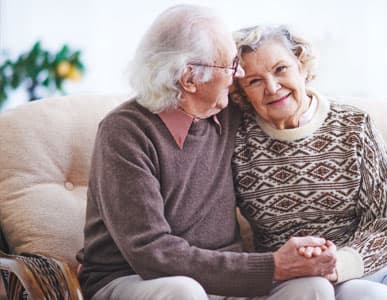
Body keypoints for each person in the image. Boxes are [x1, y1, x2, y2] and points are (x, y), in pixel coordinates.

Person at [77, 5, 340, 300]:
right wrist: (272, 266)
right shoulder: (125, 132)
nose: (239, 73)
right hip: (135, 278)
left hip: (224, 280)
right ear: (190, 79)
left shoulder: (230, 113)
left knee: (311, 288)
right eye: (230, 65)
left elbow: (290, 103)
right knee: (183, 291)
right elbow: (151, 252)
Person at [230, 25, 387, 300]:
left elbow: (386, 221)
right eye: (254, 81)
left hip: (385, 259)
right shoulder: (238, 143)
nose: (272, 88)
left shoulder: (354, 125)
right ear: (242, 91)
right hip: (305, 279)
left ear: (301, 64)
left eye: (280, 69)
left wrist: (341, 263)